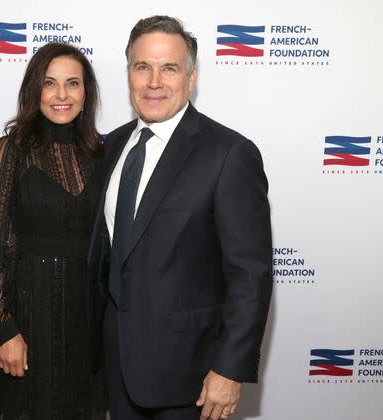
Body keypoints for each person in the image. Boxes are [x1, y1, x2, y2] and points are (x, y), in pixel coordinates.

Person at [87, 16, 273, 420]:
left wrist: (229, 369)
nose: (154, 81)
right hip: (116, 369)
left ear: (191, 77)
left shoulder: (229, 154)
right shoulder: (110, 145)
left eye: (168, 67)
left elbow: (250, 273)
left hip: (192, 378)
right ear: (129, 75)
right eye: (142, 67)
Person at [0, 42, 105, 419]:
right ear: (33, 90)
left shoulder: (101, 154)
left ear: (85, 93)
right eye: (50, 83)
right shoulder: (11, 151)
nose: (62, 95)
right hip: (27, 316)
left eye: (72, 83)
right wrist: (3, 330)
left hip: (85, 319)